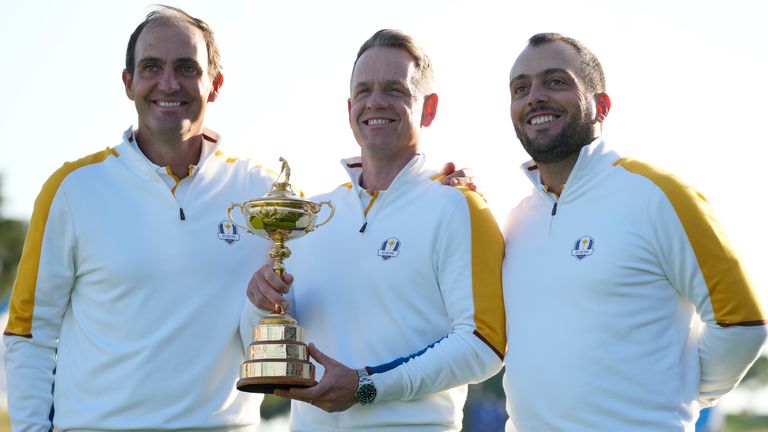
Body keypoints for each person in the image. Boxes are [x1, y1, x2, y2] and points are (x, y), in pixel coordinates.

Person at [2, 6, 276, 430]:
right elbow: (28, 334)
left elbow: (284, 322)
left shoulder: (264, 193)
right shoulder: (72, 189)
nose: (169, 83)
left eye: (187, 68)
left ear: (215, 85)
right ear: (128, 83)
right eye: (151, 67)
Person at [501, 32, 768, 431]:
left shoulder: (659, 195)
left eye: (555, 81)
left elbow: (742, 324)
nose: (534, 97)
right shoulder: (516, 220)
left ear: (601, 106)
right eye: (520, 88)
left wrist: (676, 394)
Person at [248, 29, 506, 431]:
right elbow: (263, 343)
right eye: (364, 90)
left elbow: (484, 345)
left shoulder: (460, 206)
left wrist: (368, 385)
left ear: (429, 108)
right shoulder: (310, 215)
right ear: (350, 106)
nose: (376, 102)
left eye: (395, 89)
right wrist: (259, 303)